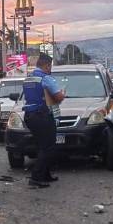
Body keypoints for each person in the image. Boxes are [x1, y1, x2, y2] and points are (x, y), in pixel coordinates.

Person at [22, 54, 65, 188]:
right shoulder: (46, 78)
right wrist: (63, 94)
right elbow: (58, 97)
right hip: (42, 115)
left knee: (42, 146)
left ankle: (45, 175)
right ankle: (36, 178)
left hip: (30, 116)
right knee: (48, 147)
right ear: (46, 65)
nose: (50, 68)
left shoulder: (28, 78)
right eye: (50, 66)